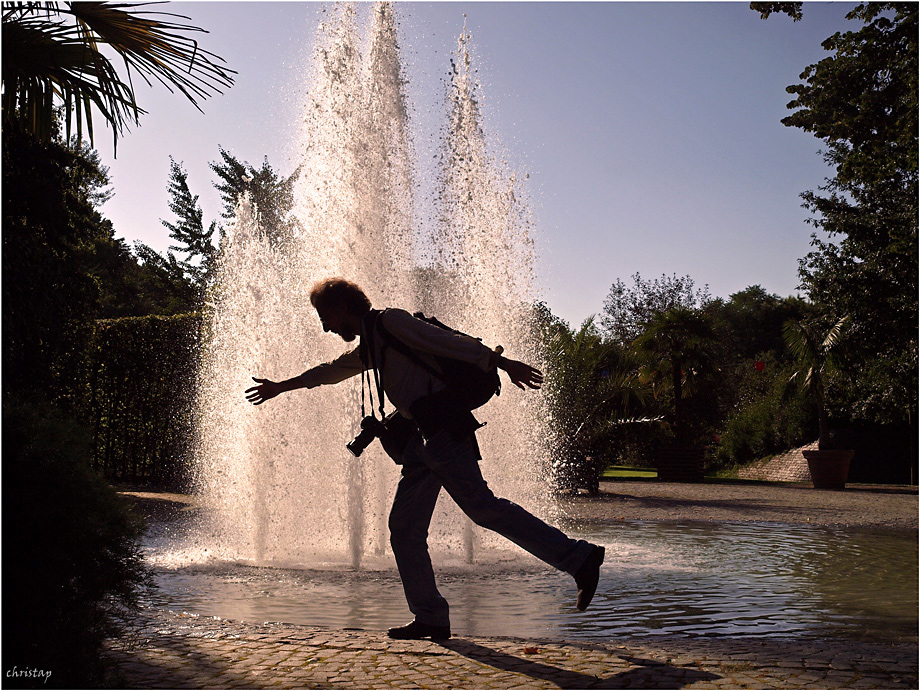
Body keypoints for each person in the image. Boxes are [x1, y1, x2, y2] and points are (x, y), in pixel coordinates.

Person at [245, 277, 605, 640]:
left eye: (326, 316)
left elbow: (450, 343)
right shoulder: (372, 341)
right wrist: (281, 387)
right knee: (403, 528)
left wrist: (504, 363)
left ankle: (580, 558)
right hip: (421, 439)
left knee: (482, 508)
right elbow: (332, 371)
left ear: (341, 307)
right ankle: (431, 615)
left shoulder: (391, 322)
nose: (325, 326)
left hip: (444, 431)